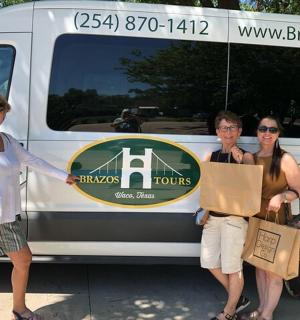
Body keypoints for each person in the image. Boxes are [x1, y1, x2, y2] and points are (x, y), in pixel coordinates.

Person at [0, 96, 78, 320]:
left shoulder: (8, 141)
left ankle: (19, 309)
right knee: (23, 260)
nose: (2, 116)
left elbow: (33, 161)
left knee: (23, 260)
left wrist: (64, 176)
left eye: (3, 112)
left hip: (7, 216)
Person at [241, 116, 300, 320]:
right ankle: (261, 308)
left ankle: (267, 315)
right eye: (263, 128)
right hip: (256, 220)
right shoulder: (252, 158)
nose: (267, 133)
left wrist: (282, 196)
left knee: (274, 272)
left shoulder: (285, 159)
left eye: (272, 130)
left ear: (278, 134)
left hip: (278, 222)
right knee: (259, 267)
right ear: (257, 132)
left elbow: (298, 191)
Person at [200, 111, 254, 320]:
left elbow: (251, 187)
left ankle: (229, 312)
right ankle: (238, 297)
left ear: (239, 131)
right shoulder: (211, 157)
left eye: (232, 128)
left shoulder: (246, 156)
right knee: (209, 261)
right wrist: (205, 211)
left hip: (234, 218)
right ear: (217, 132)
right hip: (213, 218)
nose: (228, 132)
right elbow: (207, 189)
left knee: (233, 267)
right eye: (224, 128)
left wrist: (241, 164)